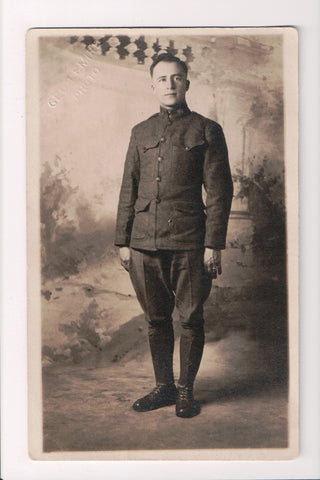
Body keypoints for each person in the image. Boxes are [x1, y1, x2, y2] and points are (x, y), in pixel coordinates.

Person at [115, 53, 233, 418]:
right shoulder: (140, 132)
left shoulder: (206, 130)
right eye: (162, 78)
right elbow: (128, 189)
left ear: (186, 83)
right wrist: (122, 241)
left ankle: (186, 391)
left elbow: (219, 192)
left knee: (191, 318)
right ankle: (164, 387)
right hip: (144, 243)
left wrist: (213, 244)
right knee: (155, 319)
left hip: (190, 242)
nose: (169, 84)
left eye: (176, 78)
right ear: (153, 85)